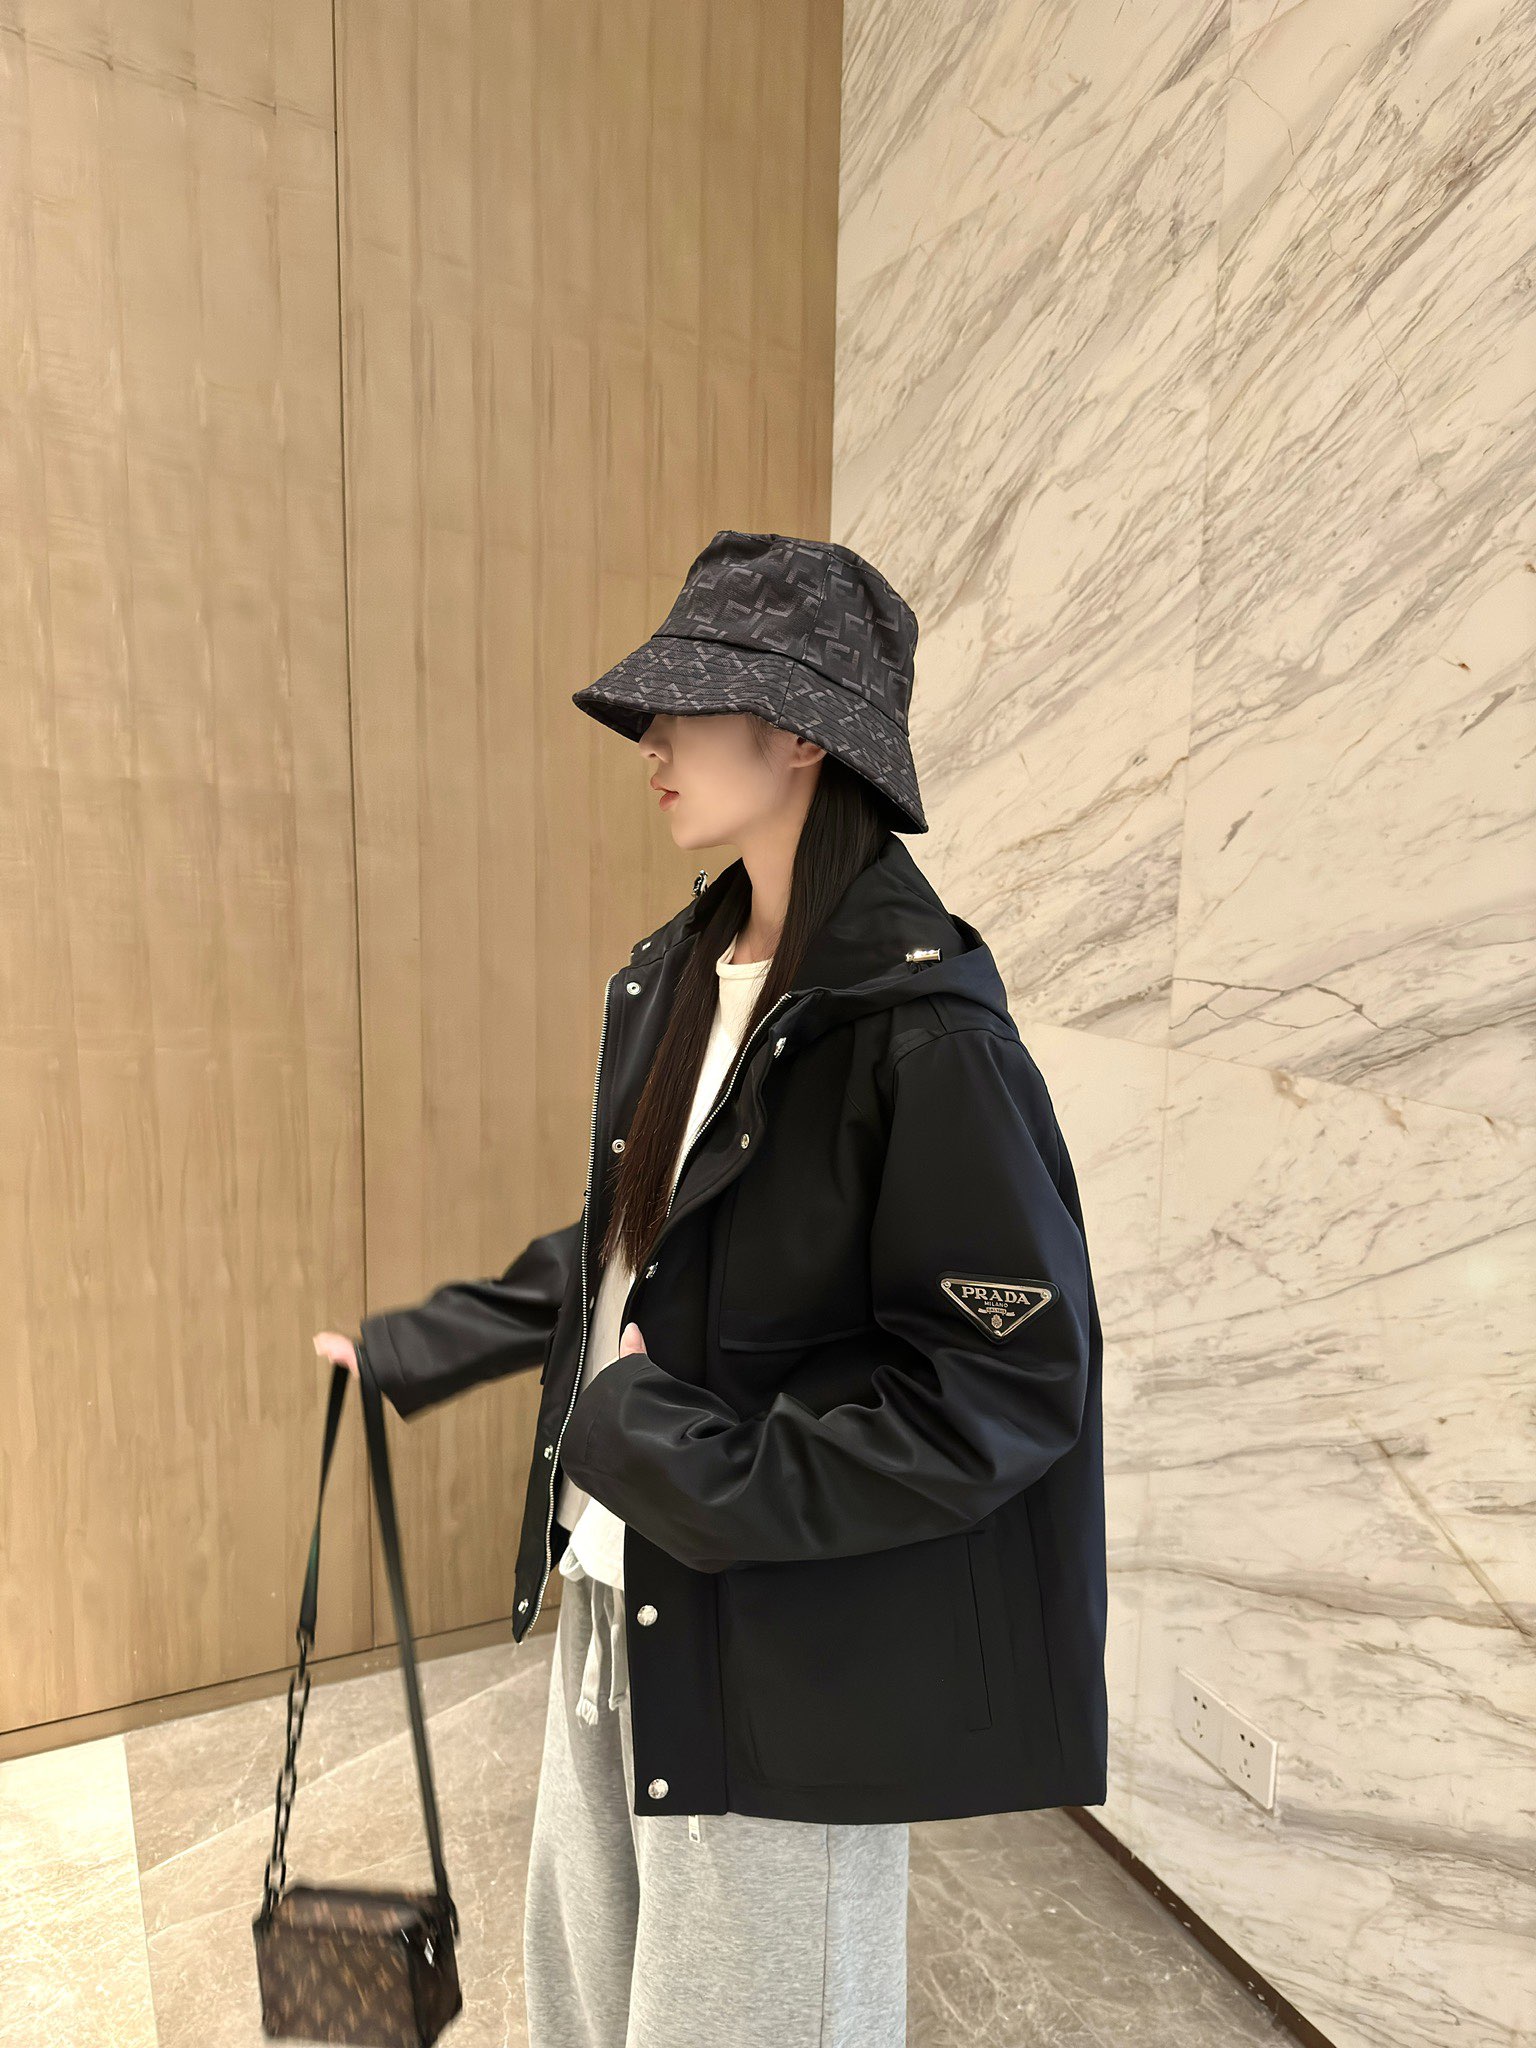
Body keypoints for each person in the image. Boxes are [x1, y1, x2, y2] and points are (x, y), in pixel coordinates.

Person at [313, 529, 1107, 2048]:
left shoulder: (927, 1038)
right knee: (590, 2007)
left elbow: (1000, 1394)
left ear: (802, 736)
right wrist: (431, 1343)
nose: (653, 744)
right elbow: (640, 1244)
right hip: (625, 1596)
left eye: (689, 705)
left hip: (789, 1662)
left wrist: (657, 1444)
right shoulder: (682, 975)